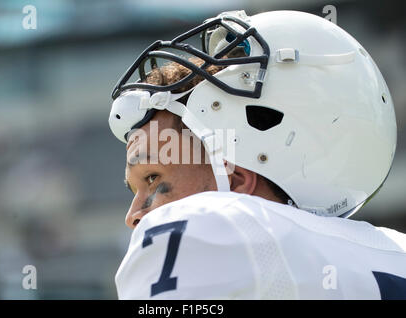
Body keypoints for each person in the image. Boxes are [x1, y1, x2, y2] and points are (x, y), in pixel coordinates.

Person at [108, 10, 406, 299]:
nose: (133, 216)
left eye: (152, 176)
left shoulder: (204, 230)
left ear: (237, 179)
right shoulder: (394, 251)